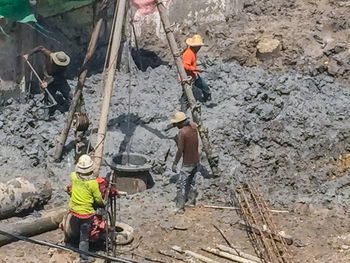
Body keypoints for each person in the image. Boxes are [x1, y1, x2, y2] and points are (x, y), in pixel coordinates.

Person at [66, 154, 104, 263]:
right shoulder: (92, 183)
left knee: (74, 229)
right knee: (84, 237)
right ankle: (84, 258)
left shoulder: (73, 176)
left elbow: (71, 188)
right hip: (86, 214)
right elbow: (97, 198)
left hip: (74, 210)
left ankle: (70, 245)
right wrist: (103, 203)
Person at [23, 46, 71, 116]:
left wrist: (47, 82)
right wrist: (28, 54)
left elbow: (57, 76)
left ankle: (70, 110)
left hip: (59, 79)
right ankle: (48, 115)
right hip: (48, 78)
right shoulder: (49, 55)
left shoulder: (64, 65)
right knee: (49, 99)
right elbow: (40, 48)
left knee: (70, 95)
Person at [171, 111, 200, 213]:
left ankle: (180, 207)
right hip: (196, 160)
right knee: (192, 182)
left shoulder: (182, 132)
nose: (176, 126)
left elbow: (180, 150)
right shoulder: (193, 126)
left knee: (182, 184)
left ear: (181, 122)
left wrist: (175, 163)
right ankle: (191, 202)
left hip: (187, 162)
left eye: (177, 124)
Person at [180, 34, 211, 112]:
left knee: (204, 87)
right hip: (187, 78)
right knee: (186, 96)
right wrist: (196, 69)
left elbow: (191, 63)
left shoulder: (193, 52)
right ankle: (183, 112)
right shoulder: (188, 53)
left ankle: (206, 100)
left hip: (194, 75)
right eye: (199, 46)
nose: (200, 48)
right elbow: (185, 66)